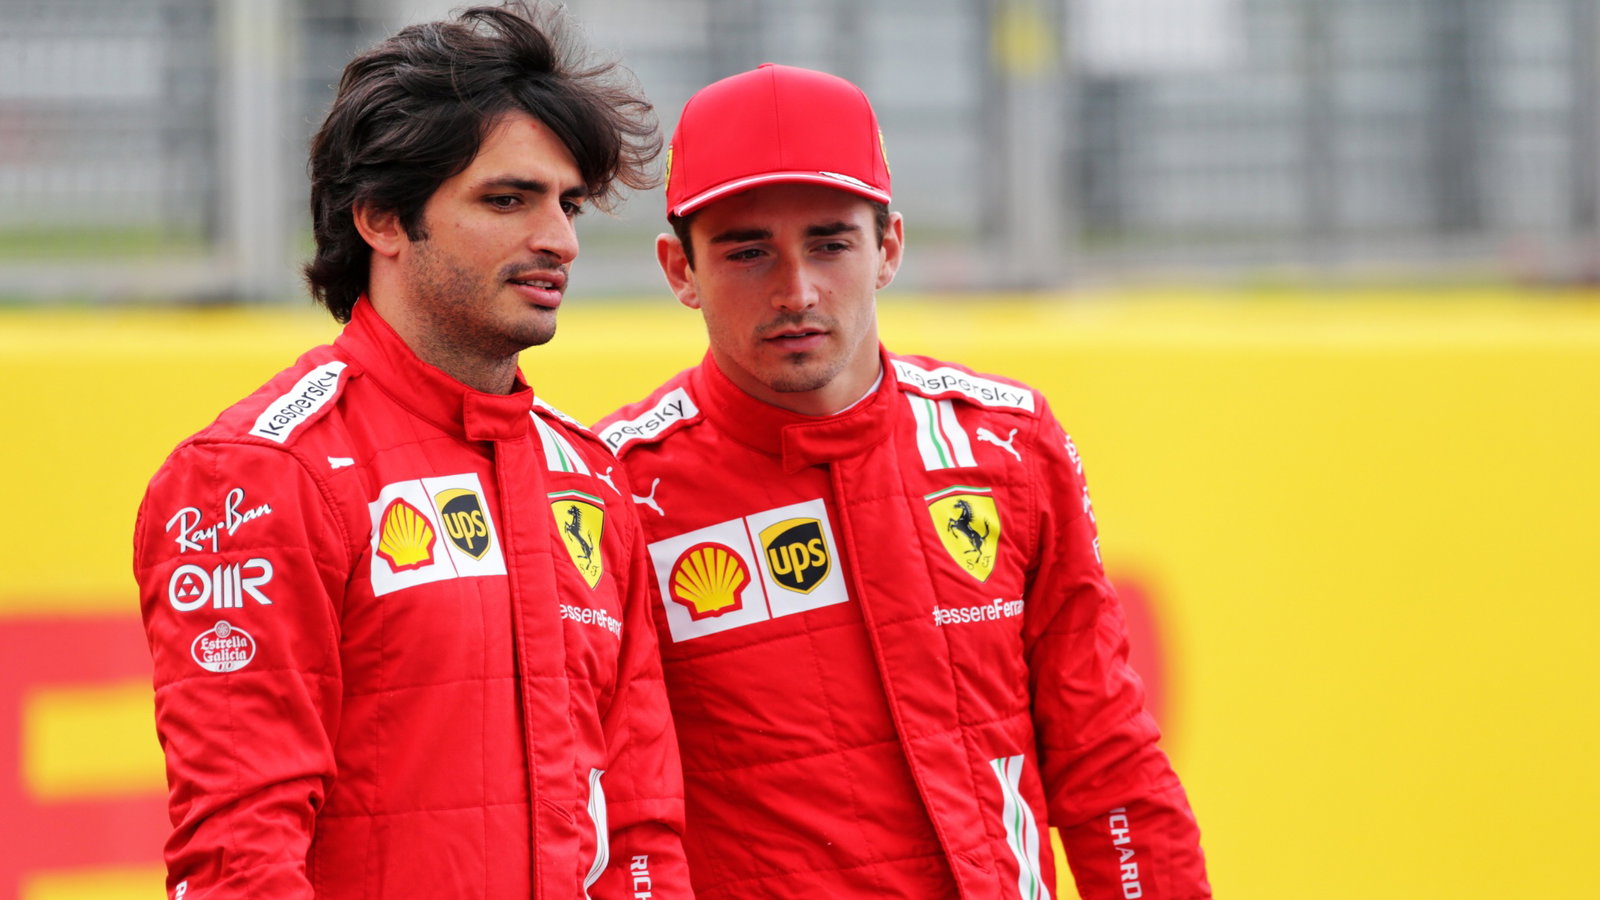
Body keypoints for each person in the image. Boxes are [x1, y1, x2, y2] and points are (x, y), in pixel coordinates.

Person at [597, 63, 1210, 899]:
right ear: (680, 270)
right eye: (748, 252)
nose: (797, 290)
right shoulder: (613, 491)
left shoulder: (1007, 445)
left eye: (830, 242)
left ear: (887, 247)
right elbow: (611, 810)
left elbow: (1106, 755)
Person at [131, 5, 688, 898]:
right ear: (383, 219)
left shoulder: (587, 480)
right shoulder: (260, 474)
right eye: (508, 199)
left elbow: (640, 831)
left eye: (568, 203)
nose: (560, 240)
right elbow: (240, 855)